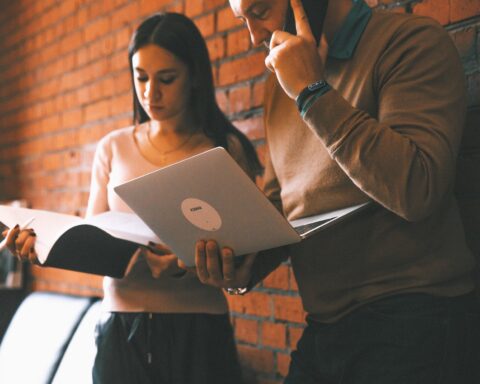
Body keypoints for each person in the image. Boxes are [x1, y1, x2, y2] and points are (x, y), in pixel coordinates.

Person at [191, 0, 480, 383]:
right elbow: (284, 205)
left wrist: (311, 93)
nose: (254, 36)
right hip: (326, 327)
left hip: (418, 314)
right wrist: (243, 262)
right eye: (242, 21)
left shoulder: (410, 42)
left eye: (260, 11)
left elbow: (418, 188)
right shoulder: (279, 85)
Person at [3, 12, 261, 384]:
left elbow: (248, 256)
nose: (150, 93)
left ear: (194, 78)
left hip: (199, 333)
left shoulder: (225, 149)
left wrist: (194, 263)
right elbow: (92, 241)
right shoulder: (114, 147)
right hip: (121, 332)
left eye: (166, 79)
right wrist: (44, 248)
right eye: (140, 77)